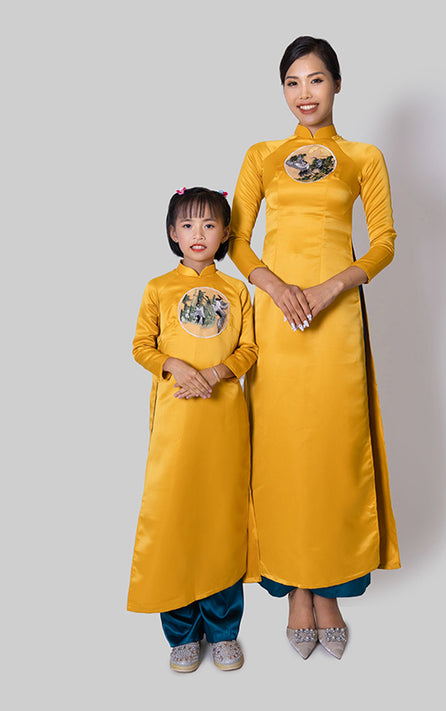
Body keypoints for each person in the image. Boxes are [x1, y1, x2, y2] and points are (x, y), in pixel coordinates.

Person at [229, 36, 401, 660]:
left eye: (317, 79)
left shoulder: (363, 157)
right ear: (283, 90)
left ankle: (329, 586)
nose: (305, 93)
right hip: (276, 319)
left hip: (335, 320)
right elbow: (237, 240)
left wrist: (330, 287)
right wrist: (276, 288)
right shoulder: (262, 156)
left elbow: (383, 242)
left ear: (337, 84)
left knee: (332, 447)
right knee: (282, 448)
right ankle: (294, 586)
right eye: (293, 82)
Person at [128, 187, 258, 672]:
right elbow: (141, 345)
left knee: (221, 515)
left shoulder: (237, 290)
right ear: (172, 233)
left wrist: (218, 373)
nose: (197, 233)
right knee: (176, 516)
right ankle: (182, 631)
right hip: (176, 422)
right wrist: (176, 367)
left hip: (223, 419)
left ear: (225, 233)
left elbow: (249, 349)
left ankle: (223, 629)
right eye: (187, 225)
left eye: (208, 224)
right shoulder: (158, 288)